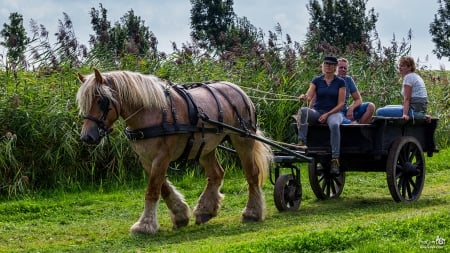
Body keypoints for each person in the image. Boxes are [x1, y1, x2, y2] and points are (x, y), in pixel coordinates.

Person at [297, 56, 346, 174]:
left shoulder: (340, 82)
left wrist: (327, 114)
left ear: (335, 67)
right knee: (303, 111)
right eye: (325, 64)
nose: (327, 66)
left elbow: (341, 104)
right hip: (318, 111)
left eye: (330, 64)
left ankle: (335, 159)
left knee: (334, 125)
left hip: (334, 112)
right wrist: (304, 97)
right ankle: (301, 143)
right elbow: (309, 95)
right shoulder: (317, 80)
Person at [337, 58, 375, 124]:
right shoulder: (330, 79)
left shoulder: (348, 80)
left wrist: (351, 108)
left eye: (345, 68)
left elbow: (358, 99)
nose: (343, 69)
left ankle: (360, 128)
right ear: (335, 68)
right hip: (336, 113)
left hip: (345, 110)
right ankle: (355, 127)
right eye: (341, 67)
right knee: (352, 124)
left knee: (371, 106)